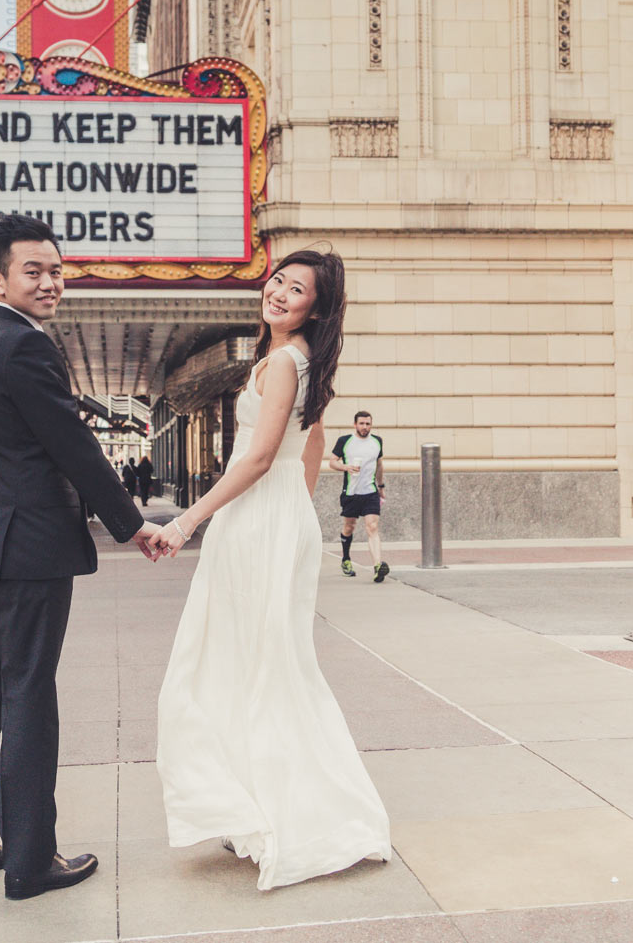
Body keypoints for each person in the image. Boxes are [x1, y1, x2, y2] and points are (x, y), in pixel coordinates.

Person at [154, 249, 391, 890]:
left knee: (240, 663)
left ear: (318, 306)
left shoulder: (285, 361)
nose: (280, 293)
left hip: (257, 518)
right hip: (272, 519)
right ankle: (258, 804)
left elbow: (257, 460)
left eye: (297, 289)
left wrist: (185, 522)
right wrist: (296, 516)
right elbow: (308, 447)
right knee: (263, 662)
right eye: (278, 280)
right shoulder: (299, 361)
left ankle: (285, 811)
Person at [0, 213, 162, 902]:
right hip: (29, 548)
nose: (49, 282)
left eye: (57, 269)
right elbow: (73, 447)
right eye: (33, 271)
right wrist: (133, 525)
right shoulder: (27, 348)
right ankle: (31, 860)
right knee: (28, 696)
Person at [330, 411, 388, 582]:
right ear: (355, 424)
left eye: (368, 424)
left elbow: (379, 464)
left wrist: (381, 485)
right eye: (361, 424)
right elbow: (332, 461)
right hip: (351, 492)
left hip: (370, 491)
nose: (365, 427)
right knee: (349, 527)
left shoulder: (377, 441)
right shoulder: (345, 441)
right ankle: (346, 559)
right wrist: (346, 467)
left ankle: (378, 566)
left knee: (372, 527)